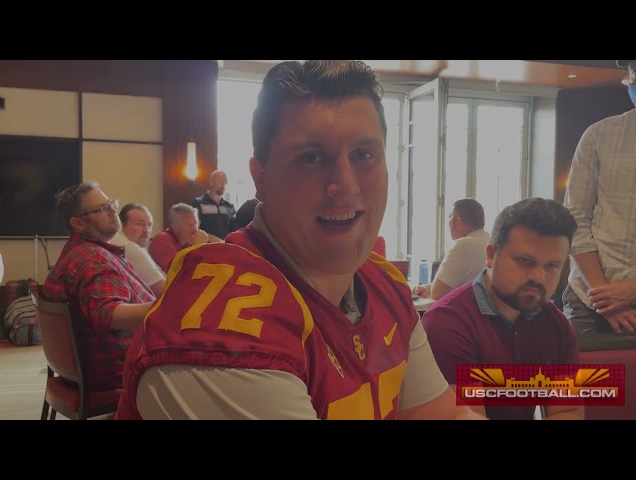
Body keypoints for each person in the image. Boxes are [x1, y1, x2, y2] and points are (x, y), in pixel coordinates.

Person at [116, 60, 486, 420]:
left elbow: (443, 413)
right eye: (311, 157)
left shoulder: (384, 283)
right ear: (260, 177)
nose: (345, 184)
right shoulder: (220, 327)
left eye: (364, 154)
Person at [422, 197, 583, 420]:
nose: (538, 277)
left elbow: (568, 409)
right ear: (490, 256)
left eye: (552, 266)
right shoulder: (448, 323)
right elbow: (466, 416)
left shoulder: (556, 325)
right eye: (525, 261)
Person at [42, 181, 155, 391]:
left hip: (101, 366)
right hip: (124, 370)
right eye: (102, 209)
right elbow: (108, 314)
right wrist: (165, 307)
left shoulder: (80, 251)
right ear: (77, 223)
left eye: (111, 203)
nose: (113, 211)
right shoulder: (94, 259)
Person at [562, 60, 636, 340]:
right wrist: (604, 296)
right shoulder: (599, 135)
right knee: (587, 384)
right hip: (588, 300)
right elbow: (575, 219)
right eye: (633, 69)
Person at [413, 198, 489, 300]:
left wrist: (431, 288)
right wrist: (428, 287)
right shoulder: (489, 241)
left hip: (464, 314)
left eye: (450, 217)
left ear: (457, 221)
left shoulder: (463, 245)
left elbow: (437, 293)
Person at [148, 202, 222, 273]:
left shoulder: (187, 241)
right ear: (175, 227)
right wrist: (197, 247)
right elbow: (179, 275)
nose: (195, 230)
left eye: (196, 224)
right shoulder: (162, 240)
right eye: (190, 225)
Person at [110, 203, 166, 296]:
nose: (146, 230)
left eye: (149, 225)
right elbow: (164, 290)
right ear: (121, 225)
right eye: (140, 224)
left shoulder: (130, 243)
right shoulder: (128, 247)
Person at [191, 170, 236, 239]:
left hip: (226, 246)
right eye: (220, 181)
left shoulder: (229, 206)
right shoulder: (198, 203)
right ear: (212, 182)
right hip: (206, 246)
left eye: (225, 181)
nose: (223, 184)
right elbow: (194, 228)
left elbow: (235, 229)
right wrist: (214, 240)